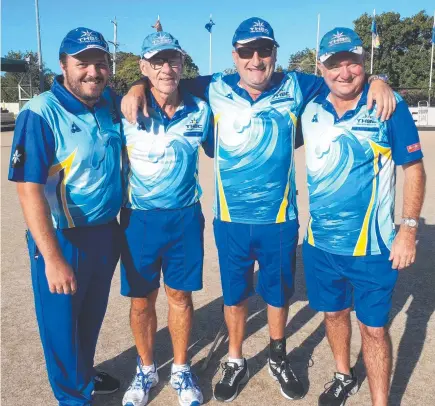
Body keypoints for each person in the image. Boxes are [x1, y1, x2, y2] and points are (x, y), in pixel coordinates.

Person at [122, 17, 396, 403]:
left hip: (280, 220)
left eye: (264, 50)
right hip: (231, 220)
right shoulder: (212, 86)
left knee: (277, 294)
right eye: (247, 52)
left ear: (274, 54)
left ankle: (276, 354)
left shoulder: (297, 85)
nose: (255, 59)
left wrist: (380, 77)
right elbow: (162, 80)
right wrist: (135, 85)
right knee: (235, 296)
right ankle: (235, 359)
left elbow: (346, 79)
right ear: (234, 56)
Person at [299, 27, 426, 406]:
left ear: (363, 64)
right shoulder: (309, 101)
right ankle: (342, 374)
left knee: (373, 330)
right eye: (334, 64)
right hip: (320, 245)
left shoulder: (389, 104)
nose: (344, 72)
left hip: (373, 248)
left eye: (352, 63)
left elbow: (414, 169)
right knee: (334, 316)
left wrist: (408, 229)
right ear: (321, 68)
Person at [8, 28, 122, 405]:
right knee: (61, 328)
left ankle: (84, 373)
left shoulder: (109, 103)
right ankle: (73, 397)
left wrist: (137, 89)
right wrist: (53, 258)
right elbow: (28, 188)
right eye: (82, 63)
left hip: (105, 234)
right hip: (61, 238)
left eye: (100, 63)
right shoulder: (39, 111)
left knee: (89, 321)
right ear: (63, 66)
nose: (93, 71)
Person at [120, 32, 213, 406]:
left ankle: (180, 367)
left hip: (185, 219)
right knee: (142, 301)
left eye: (172, 60)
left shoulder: (202, 111)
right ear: (143, 67)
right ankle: (145, 368)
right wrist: (134, 88)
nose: (165, 68)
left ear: (182, 64)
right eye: (156, 61)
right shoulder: (123, 108)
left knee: (180, 297)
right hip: (139, 220)